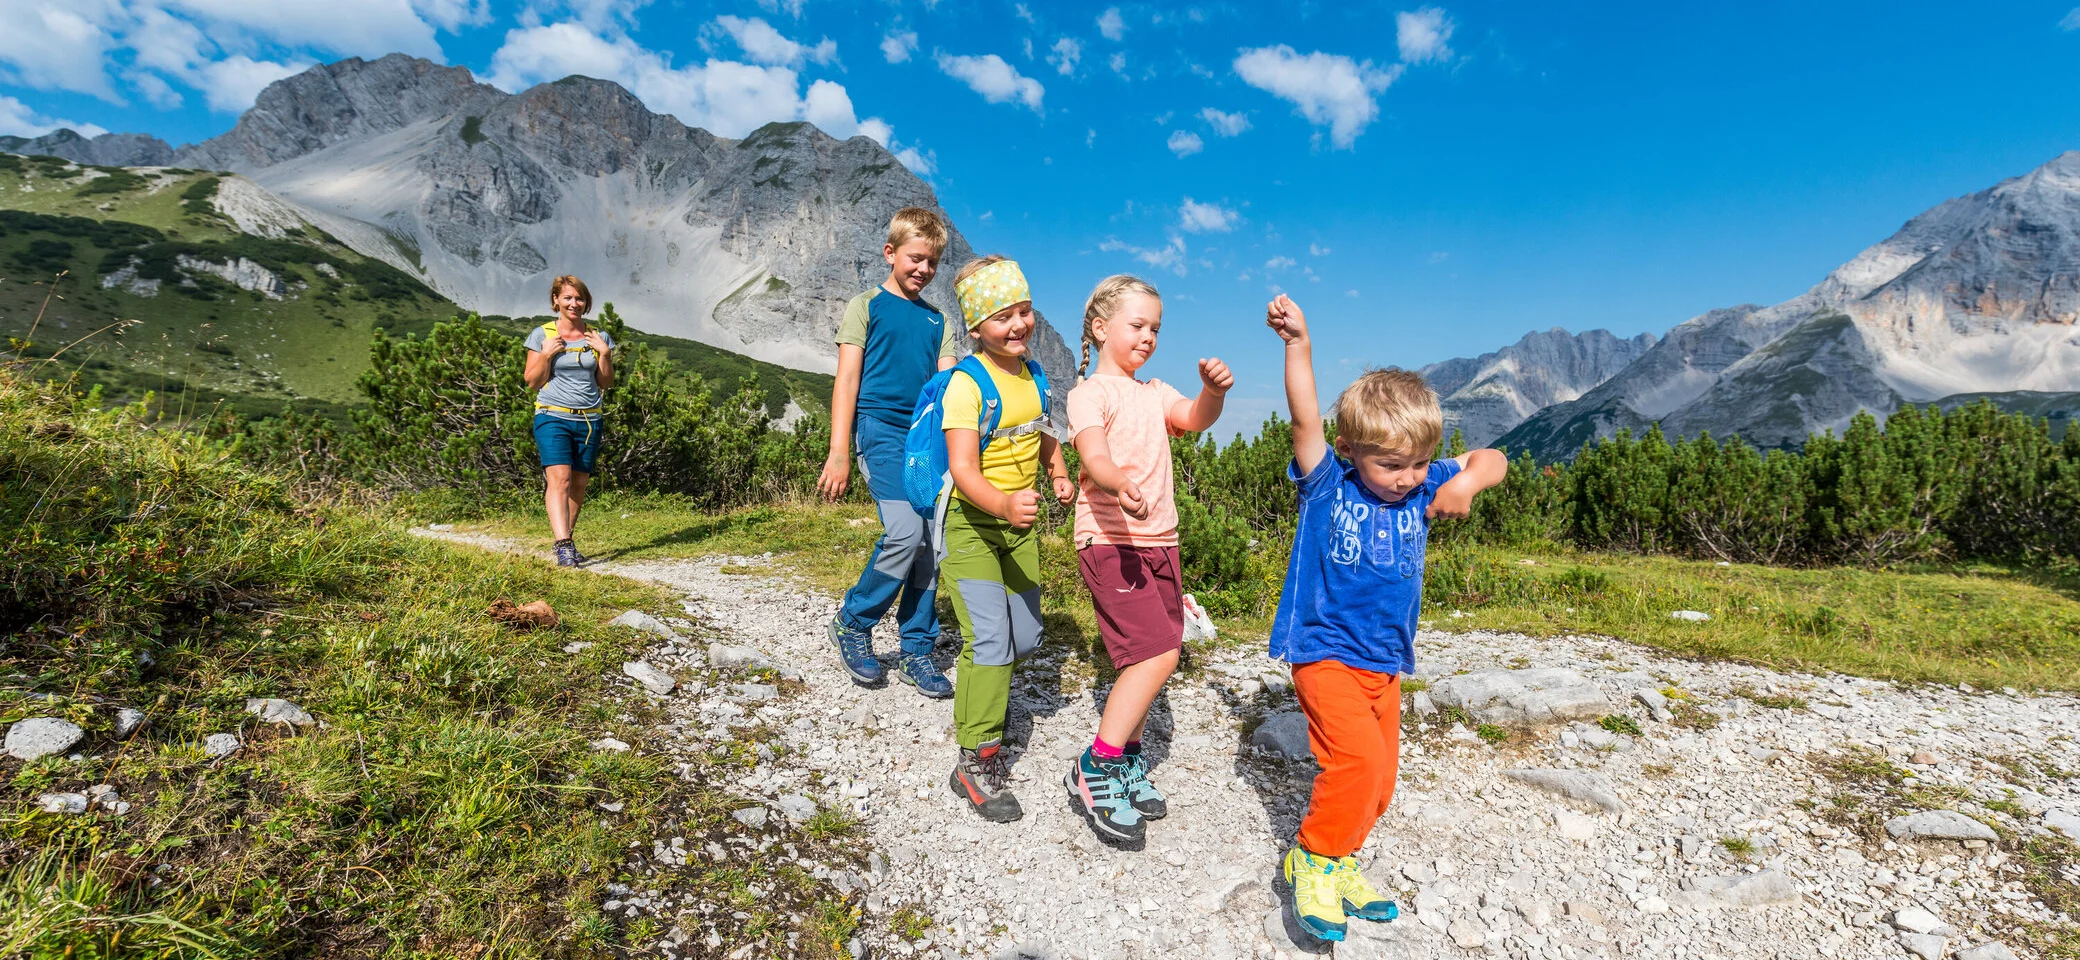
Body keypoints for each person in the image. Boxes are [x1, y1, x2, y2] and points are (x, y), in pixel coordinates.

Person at [1262, 293, 1509, 942]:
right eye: (1391, 465)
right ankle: (1311, 858)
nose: (1407, 478)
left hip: (1386, 660)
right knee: (1358, 765)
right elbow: (1303, 418)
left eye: (1419, 464)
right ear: (1350, 449)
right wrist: (1298, 344)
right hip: (1326, 653)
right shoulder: (1327, 484)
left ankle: (1340, 859)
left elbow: (1493, 459)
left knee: (1380, 785)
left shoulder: (1429, 483)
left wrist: (1464, 483)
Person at [1061, 275, 1231, 842]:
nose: (1149, 336)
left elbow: (1194, 418)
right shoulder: (1090, 394)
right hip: (1110, 542)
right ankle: (1098, 765)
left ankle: (1127, 761)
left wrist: (1214, 393)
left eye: (1156, 328)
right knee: (1159, 653)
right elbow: (1094, 455)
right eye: (1138, 325)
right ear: (1100, 328)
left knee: (1150, 656)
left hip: (1161, 542)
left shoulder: (1153, 391)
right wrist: (1115, 484)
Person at [941, 255, 1074, 823]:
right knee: (991, 641)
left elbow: (1043, 433)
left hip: (1016, 529)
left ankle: (985, 694)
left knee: (1025, 636)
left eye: (1023, 310)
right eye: (1002, 317)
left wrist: (1060, 472)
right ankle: (977, 758)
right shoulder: (966, 384)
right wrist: (1002, 503)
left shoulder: (1034, 375)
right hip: (970, 525)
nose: (1018, 324)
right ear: (976, 327)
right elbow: (964, 469)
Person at [821, 207, 960, 697]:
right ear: (891, 253)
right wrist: (840, 450)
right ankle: (854, 621)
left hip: (924, 441)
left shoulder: (937, 320)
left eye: (932, 263)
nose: (923, 269)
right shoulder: (866, 305)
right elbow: (847, 380)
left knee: (931, 541)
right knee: (904, 531)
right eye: (915, 258)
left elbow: (946, 388)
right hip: (877, 429)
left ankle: (916, 649)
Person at [524, 275, 615, 568]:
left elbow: (606, 381)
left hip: (589, 419)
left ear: (586, 302)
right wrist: (546, 356)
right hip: (552, 415)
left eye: (579, 298)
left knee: (578, 483)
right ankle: (564, 546)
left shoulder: (597, 336)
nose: (573, 303)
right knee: (559, 480)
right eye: (567, 298)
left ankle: (566, 539)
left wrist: (605, 353)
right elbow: (532, 382)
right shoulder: (542, 335)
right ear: (555, 301)